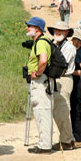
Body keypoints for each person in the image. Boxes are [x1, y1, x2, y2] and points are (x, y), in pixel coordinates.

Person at [24, 17, 54, 154]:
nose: (27, 28)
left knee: (42, 111)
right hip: (44, 80)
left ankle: (44, 145)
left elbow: (43, 60)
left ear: (38, 29)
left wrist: (37, 73)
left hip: (41, 81)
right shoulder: (42, 41)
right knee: (42, 111)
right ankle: (45, 143)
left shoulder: (41, 42)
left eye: (30, 26)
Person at [46, 21, 75, 151]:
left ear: (67, 32)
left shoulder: (69, 47)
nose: (58, 32)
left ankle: (67, 140)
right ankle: (66, 139)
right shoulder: (52, 43)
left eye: (62, 30)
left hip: (63, 78)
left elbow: (61, 64)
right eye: (56, 29)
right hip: (53, 78)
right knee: (56, 111)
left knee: (62, 111)